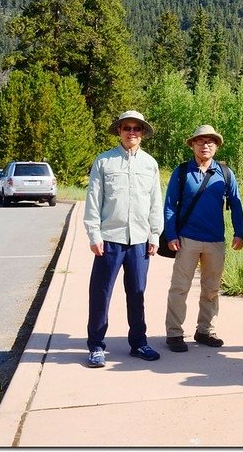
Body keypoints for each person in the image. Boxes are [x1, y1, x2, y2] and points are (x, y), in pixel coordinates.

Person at [83, 110, 163, 368]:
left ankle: (138, 343)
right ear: (119, 131)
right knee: (100, 293)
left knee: (137, 293)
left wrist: (154, 234)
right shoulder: (104, 162)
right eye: (126, 127)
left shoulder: (150, 164)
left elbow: (155, 203)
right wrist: (94, 234)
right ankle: (96, 346)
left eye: (136, 128)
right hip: (110, 239)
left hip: (139, 240)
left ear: (142, 134)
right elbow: (93, 201)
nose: (131, 132)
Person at [162, 125, 243, 353]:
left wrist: (239, 232)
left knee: (211, 289)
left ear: (216, 146)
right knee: (180, 288)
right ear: (192, 145)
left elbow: (236, 203)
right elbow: (169, 205)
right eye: (200, 141)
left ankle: (205, 330)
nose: (205, 145)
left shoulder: (225, 173)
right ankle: (175, 333)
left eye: (210, 141)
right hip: (186, 239)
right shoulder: (181, 172)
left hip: (215, 240)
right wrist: (171, 234)